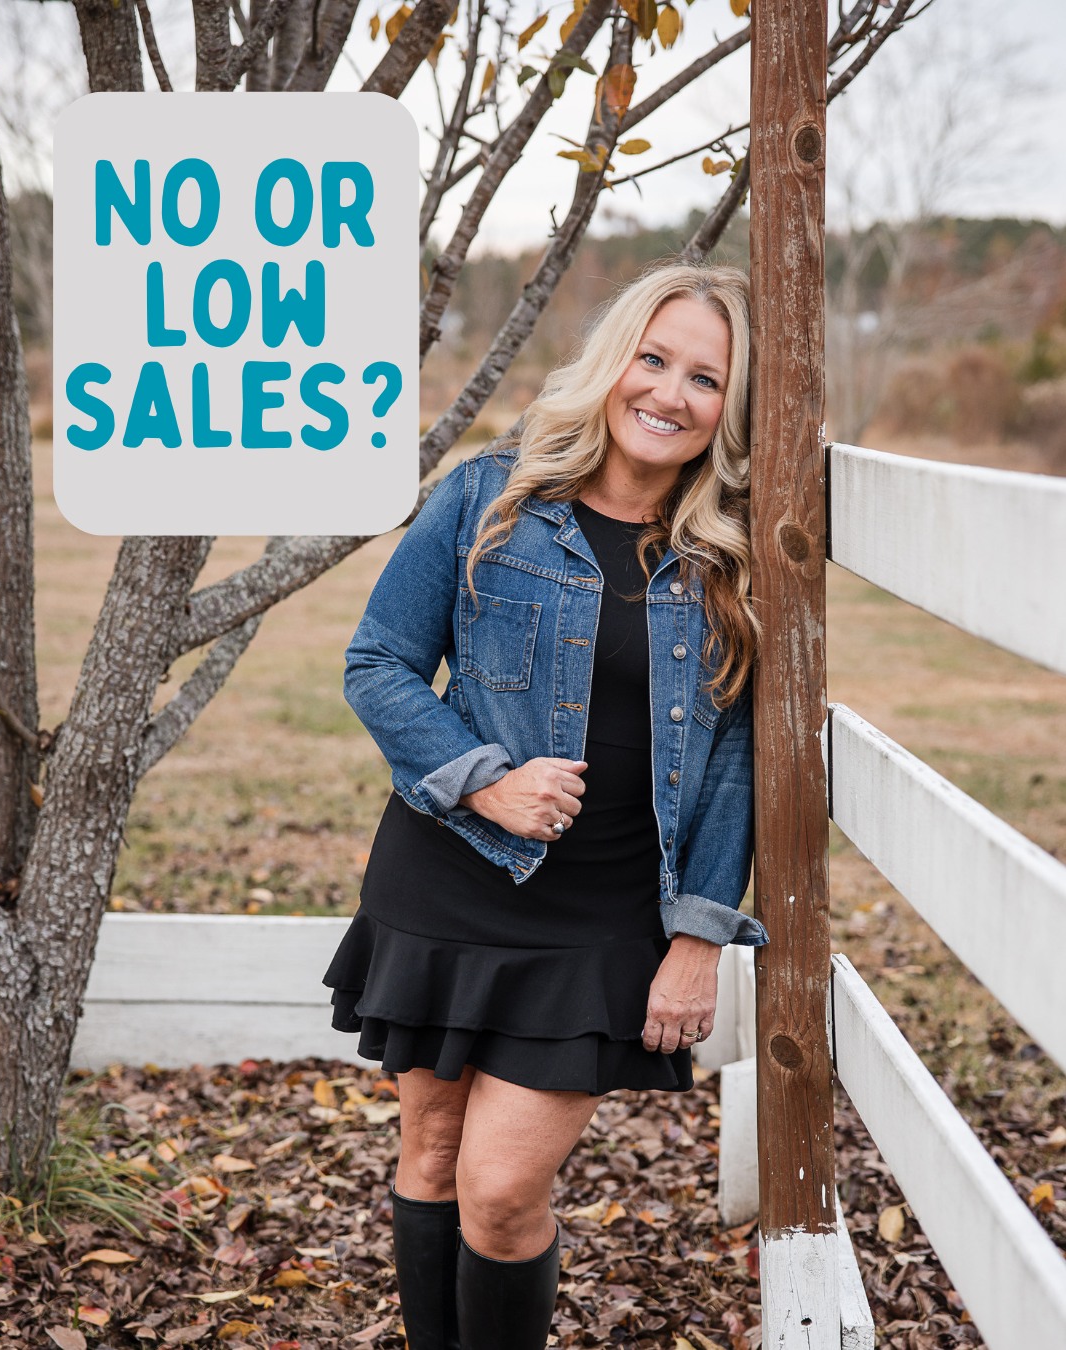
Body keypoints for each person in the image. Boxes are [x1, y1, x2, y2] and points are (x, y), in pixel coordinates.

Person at [322, 261, 768, 1350]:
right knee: (431, 1158)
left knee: (502, 1191)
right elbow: (378, 662)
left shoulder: (735, 559)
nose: (668, 394)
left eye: (706, 379)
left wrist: (698, 938)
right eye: (653, 359)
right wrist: (485, 778)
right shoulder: (491, 495)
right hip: (447, 878)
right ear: (613, 361)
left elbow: (735, 761)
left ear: (731, 409)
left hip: (602, 916)